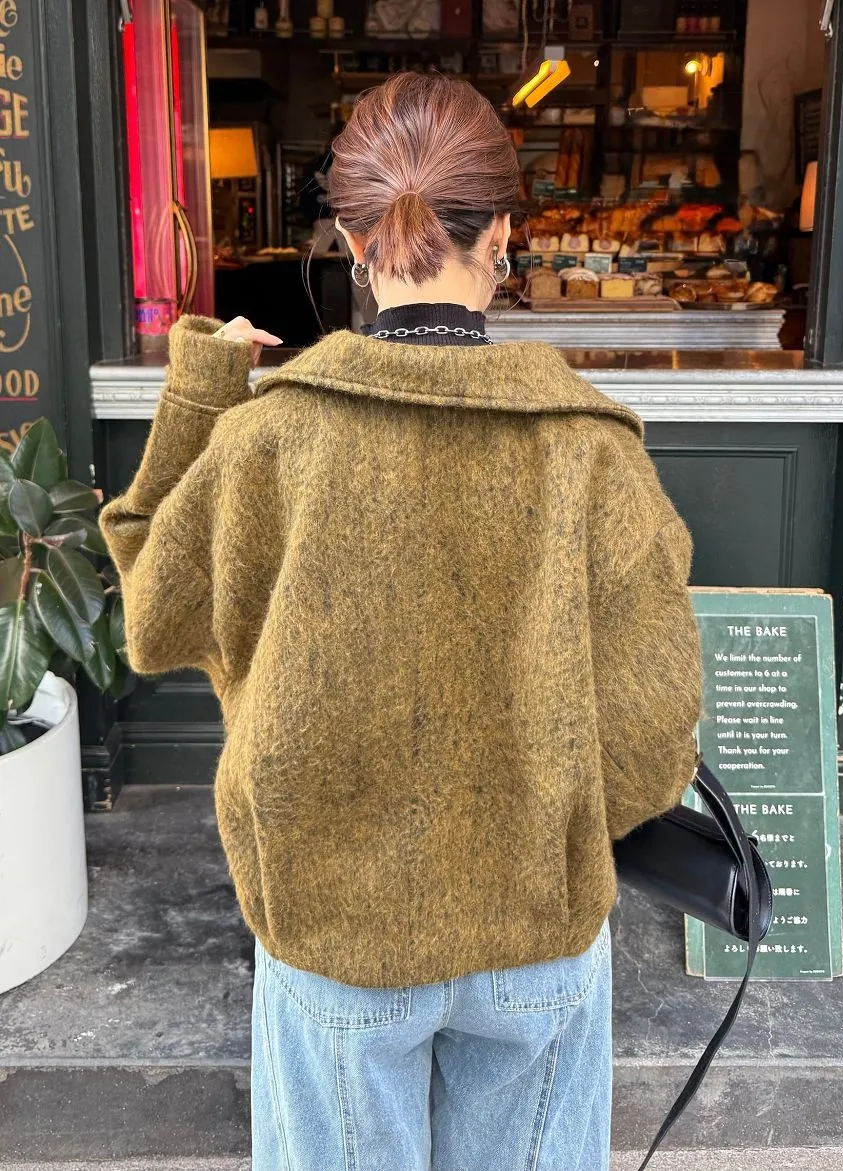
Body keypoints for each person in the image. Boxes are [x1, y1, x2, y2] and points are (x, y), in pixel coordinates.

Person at [100, 72, 703, 1171]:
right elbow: (653, 740)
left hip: (333, 936)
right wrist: (541, 833)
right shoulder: (592, 450)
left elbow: (153, 617)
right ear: (503, 233)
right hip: (535, 934)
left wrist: (202, 389)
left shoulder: (268, 442)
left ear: (350, 240)